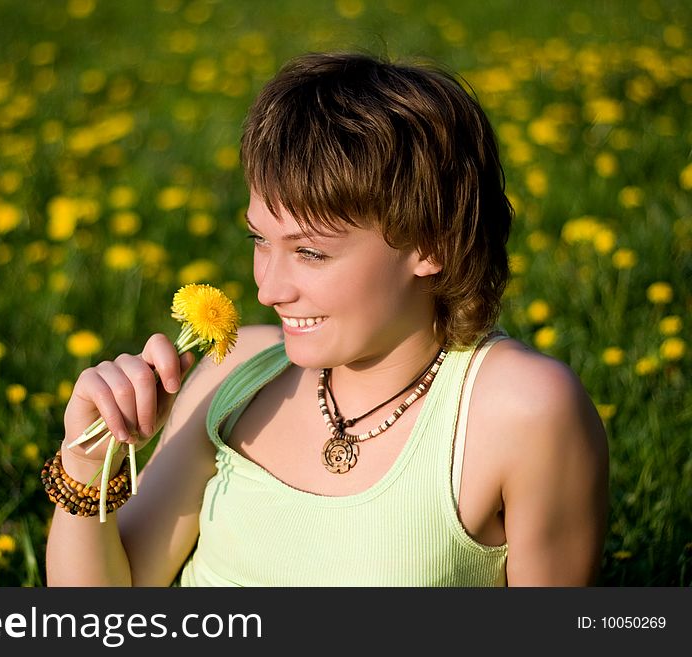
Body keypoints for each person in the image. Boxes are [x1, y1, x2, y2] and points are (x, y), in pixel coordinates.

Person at [44, 51, 609, 586]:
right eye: (259, 240)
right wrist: (87, 462)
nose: (267, 289)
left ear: (430, 242)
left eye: (310, 252)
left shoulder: (521, 412)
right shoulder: (235, 373)